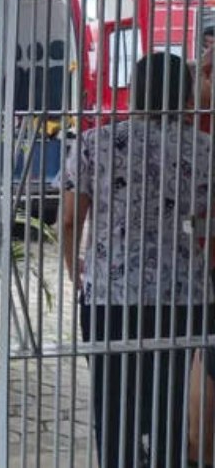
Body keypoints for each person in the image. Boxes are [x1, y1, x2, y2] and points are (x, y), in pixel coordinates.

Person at [61, 52, 214, 468]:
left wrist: (77, 272)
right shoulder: (205, 149)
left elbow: (72, 219)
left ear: (135, 89)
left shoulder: (96, 142)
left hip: (111, 292)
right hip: (183, 294)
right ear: (185, 94)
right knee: (171, 399)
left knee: (113, 401)